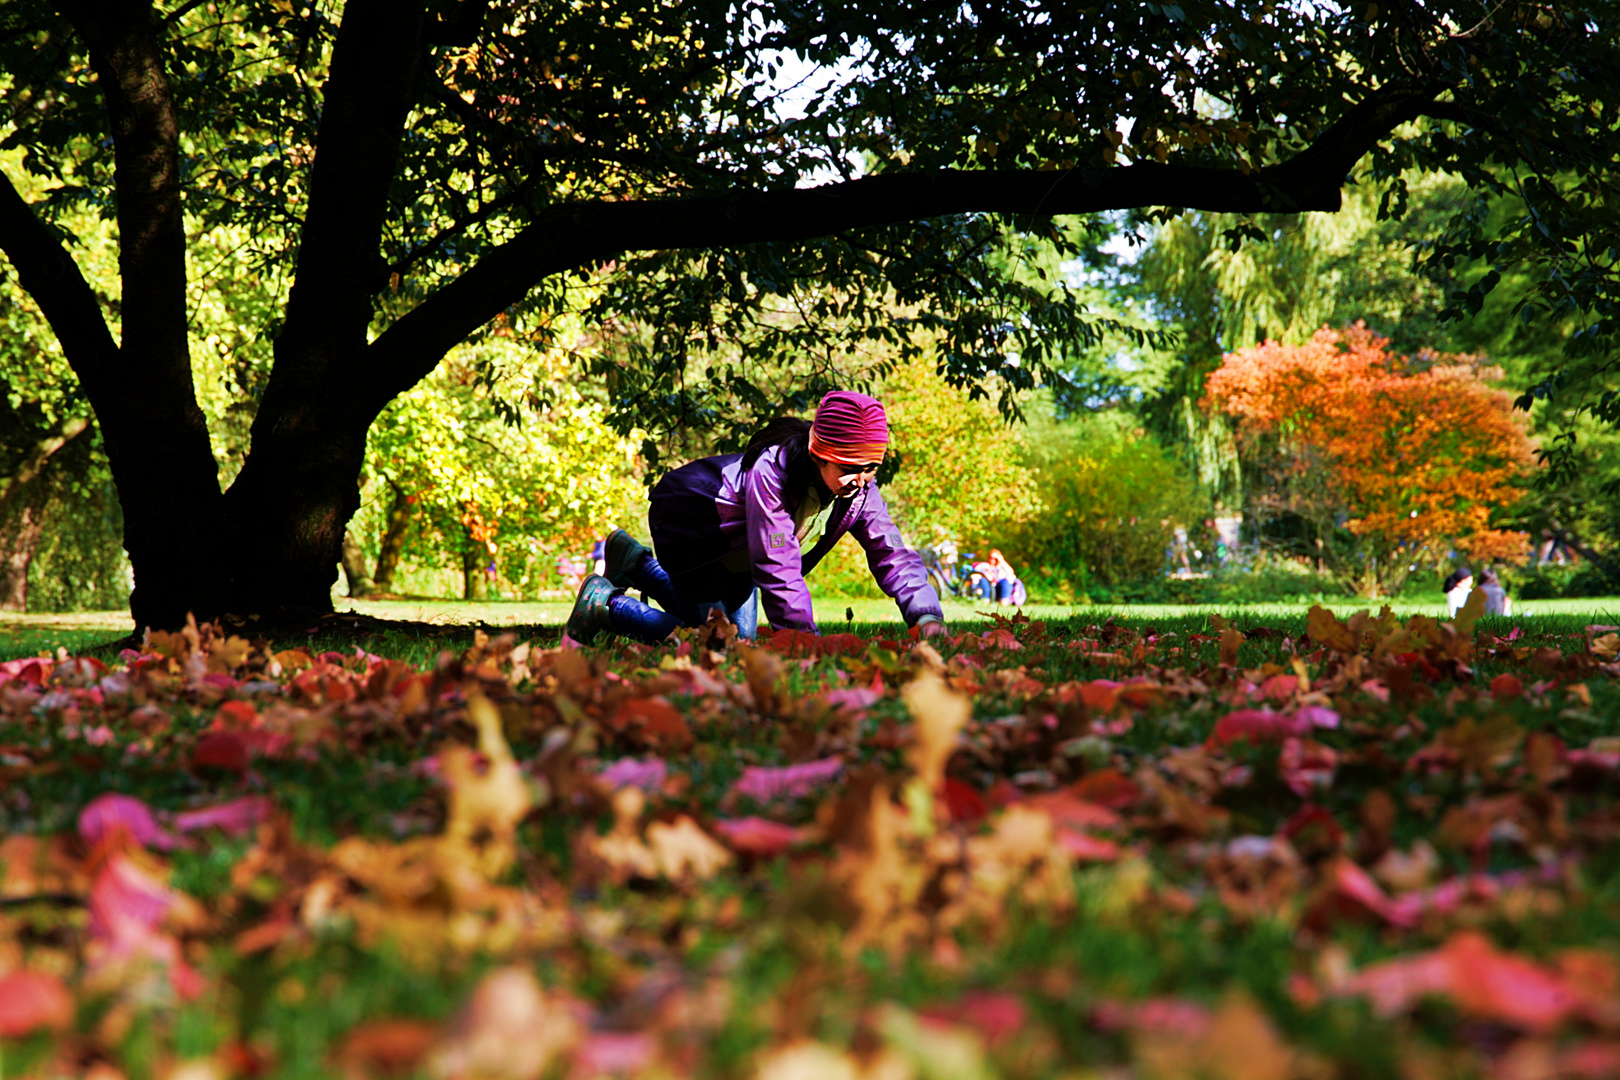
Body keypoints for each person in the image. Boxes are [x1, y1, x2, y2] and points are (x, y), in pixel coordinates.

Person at [565, 391, 947, 644]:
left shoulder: (860, 491)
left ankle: (636, 562)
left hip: (738, 555)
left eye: (871, 467)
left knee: (736, 633)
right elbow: (777, 565)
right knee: (718, 643)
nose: (861, 479)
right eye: (850, 466)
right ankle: (607, 605)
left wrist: (925, 615)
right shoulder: (774, 475)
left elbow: (892, 553)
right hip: (692, 533)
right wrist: (800, 640)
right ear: (818, 453)